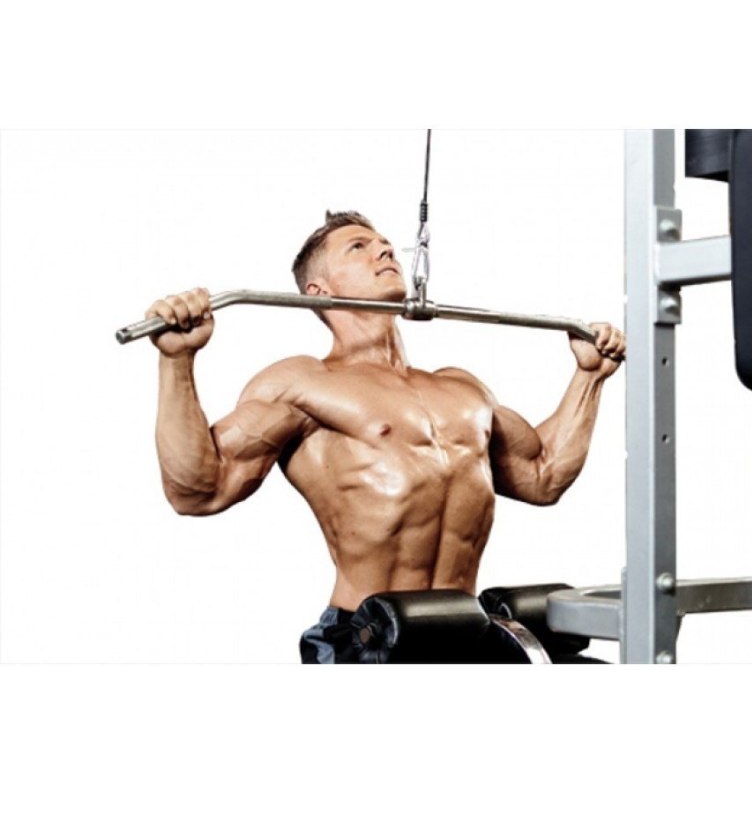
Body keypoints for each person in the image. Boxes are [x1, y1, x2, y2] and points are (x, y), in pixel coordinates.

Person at [147, 211, 625, 662]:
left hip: (462, 628)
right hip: (368, 637)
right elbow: (198, 491)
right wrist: (177, 360)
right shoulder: (302, 384)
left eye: (384, 243)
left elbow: (543, 476)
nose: (384, 250)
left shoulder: (462, 388)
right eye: (358, 247)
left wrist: (590, 377)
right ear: (319, 291)